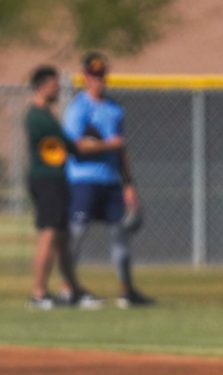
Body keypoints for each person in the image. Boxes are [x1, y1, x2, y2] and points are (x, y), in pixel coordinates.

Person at [62, 52, 153, 308]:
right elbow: (75, 146)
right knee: (77, 233)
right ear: (84, 77)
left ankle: (127, 291)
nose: (98, 80)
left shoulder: (114, 109)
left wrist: (129, 185)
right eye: (93, 75)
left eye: (101, 75)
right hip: (83, 181)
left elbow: (122, 149)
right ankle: (68, 288)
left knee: (120, 234)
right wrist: (105, 145)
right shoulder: (78, 108)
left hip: (111, 181)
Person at [24, 65, 109, 310]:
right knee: (48, 233)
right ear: (42, 85)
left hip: (58, 180)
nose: (57, 88)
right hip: (46, 179)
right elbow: (67, 145)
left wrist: (92, 145)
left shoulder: (49, 115)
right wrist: (96, 145)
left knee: (63, 239)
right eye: (53, 84)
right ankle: (39, 294)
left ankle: (72, 290)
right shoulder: (36, 116)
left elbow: (71, 146)